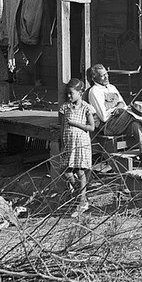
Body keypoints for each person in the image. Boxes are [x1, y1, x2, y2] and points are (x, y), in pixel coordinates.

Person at [58, 78, 96, 215]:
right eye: (67, 93)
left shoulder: (86, 107)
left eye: (71, 93)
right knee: (67, 171)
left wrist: (76, 124)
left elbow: (92, 127)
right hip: (69, 143)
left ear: (80, 93)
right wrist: (62, 143)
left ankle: (81, 202)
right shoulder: (65, 107)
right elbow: (62, 127)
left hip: (81, 143)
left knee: (80, 171)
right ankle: (81, 194)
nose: (69, 96)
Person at [87, 63, 129, 133]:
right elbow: (104, 117)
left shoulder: (111, 87)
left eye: (106, 74)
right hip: (107, 125)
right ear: (94, 78)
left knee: (135, 125)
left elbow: (124, 105)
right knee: (137, 115)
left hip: (120, 119)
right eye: (102, 76)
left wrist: (120, 106)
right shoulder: (95, 91)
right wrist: (116, 109)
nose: (107, 77)